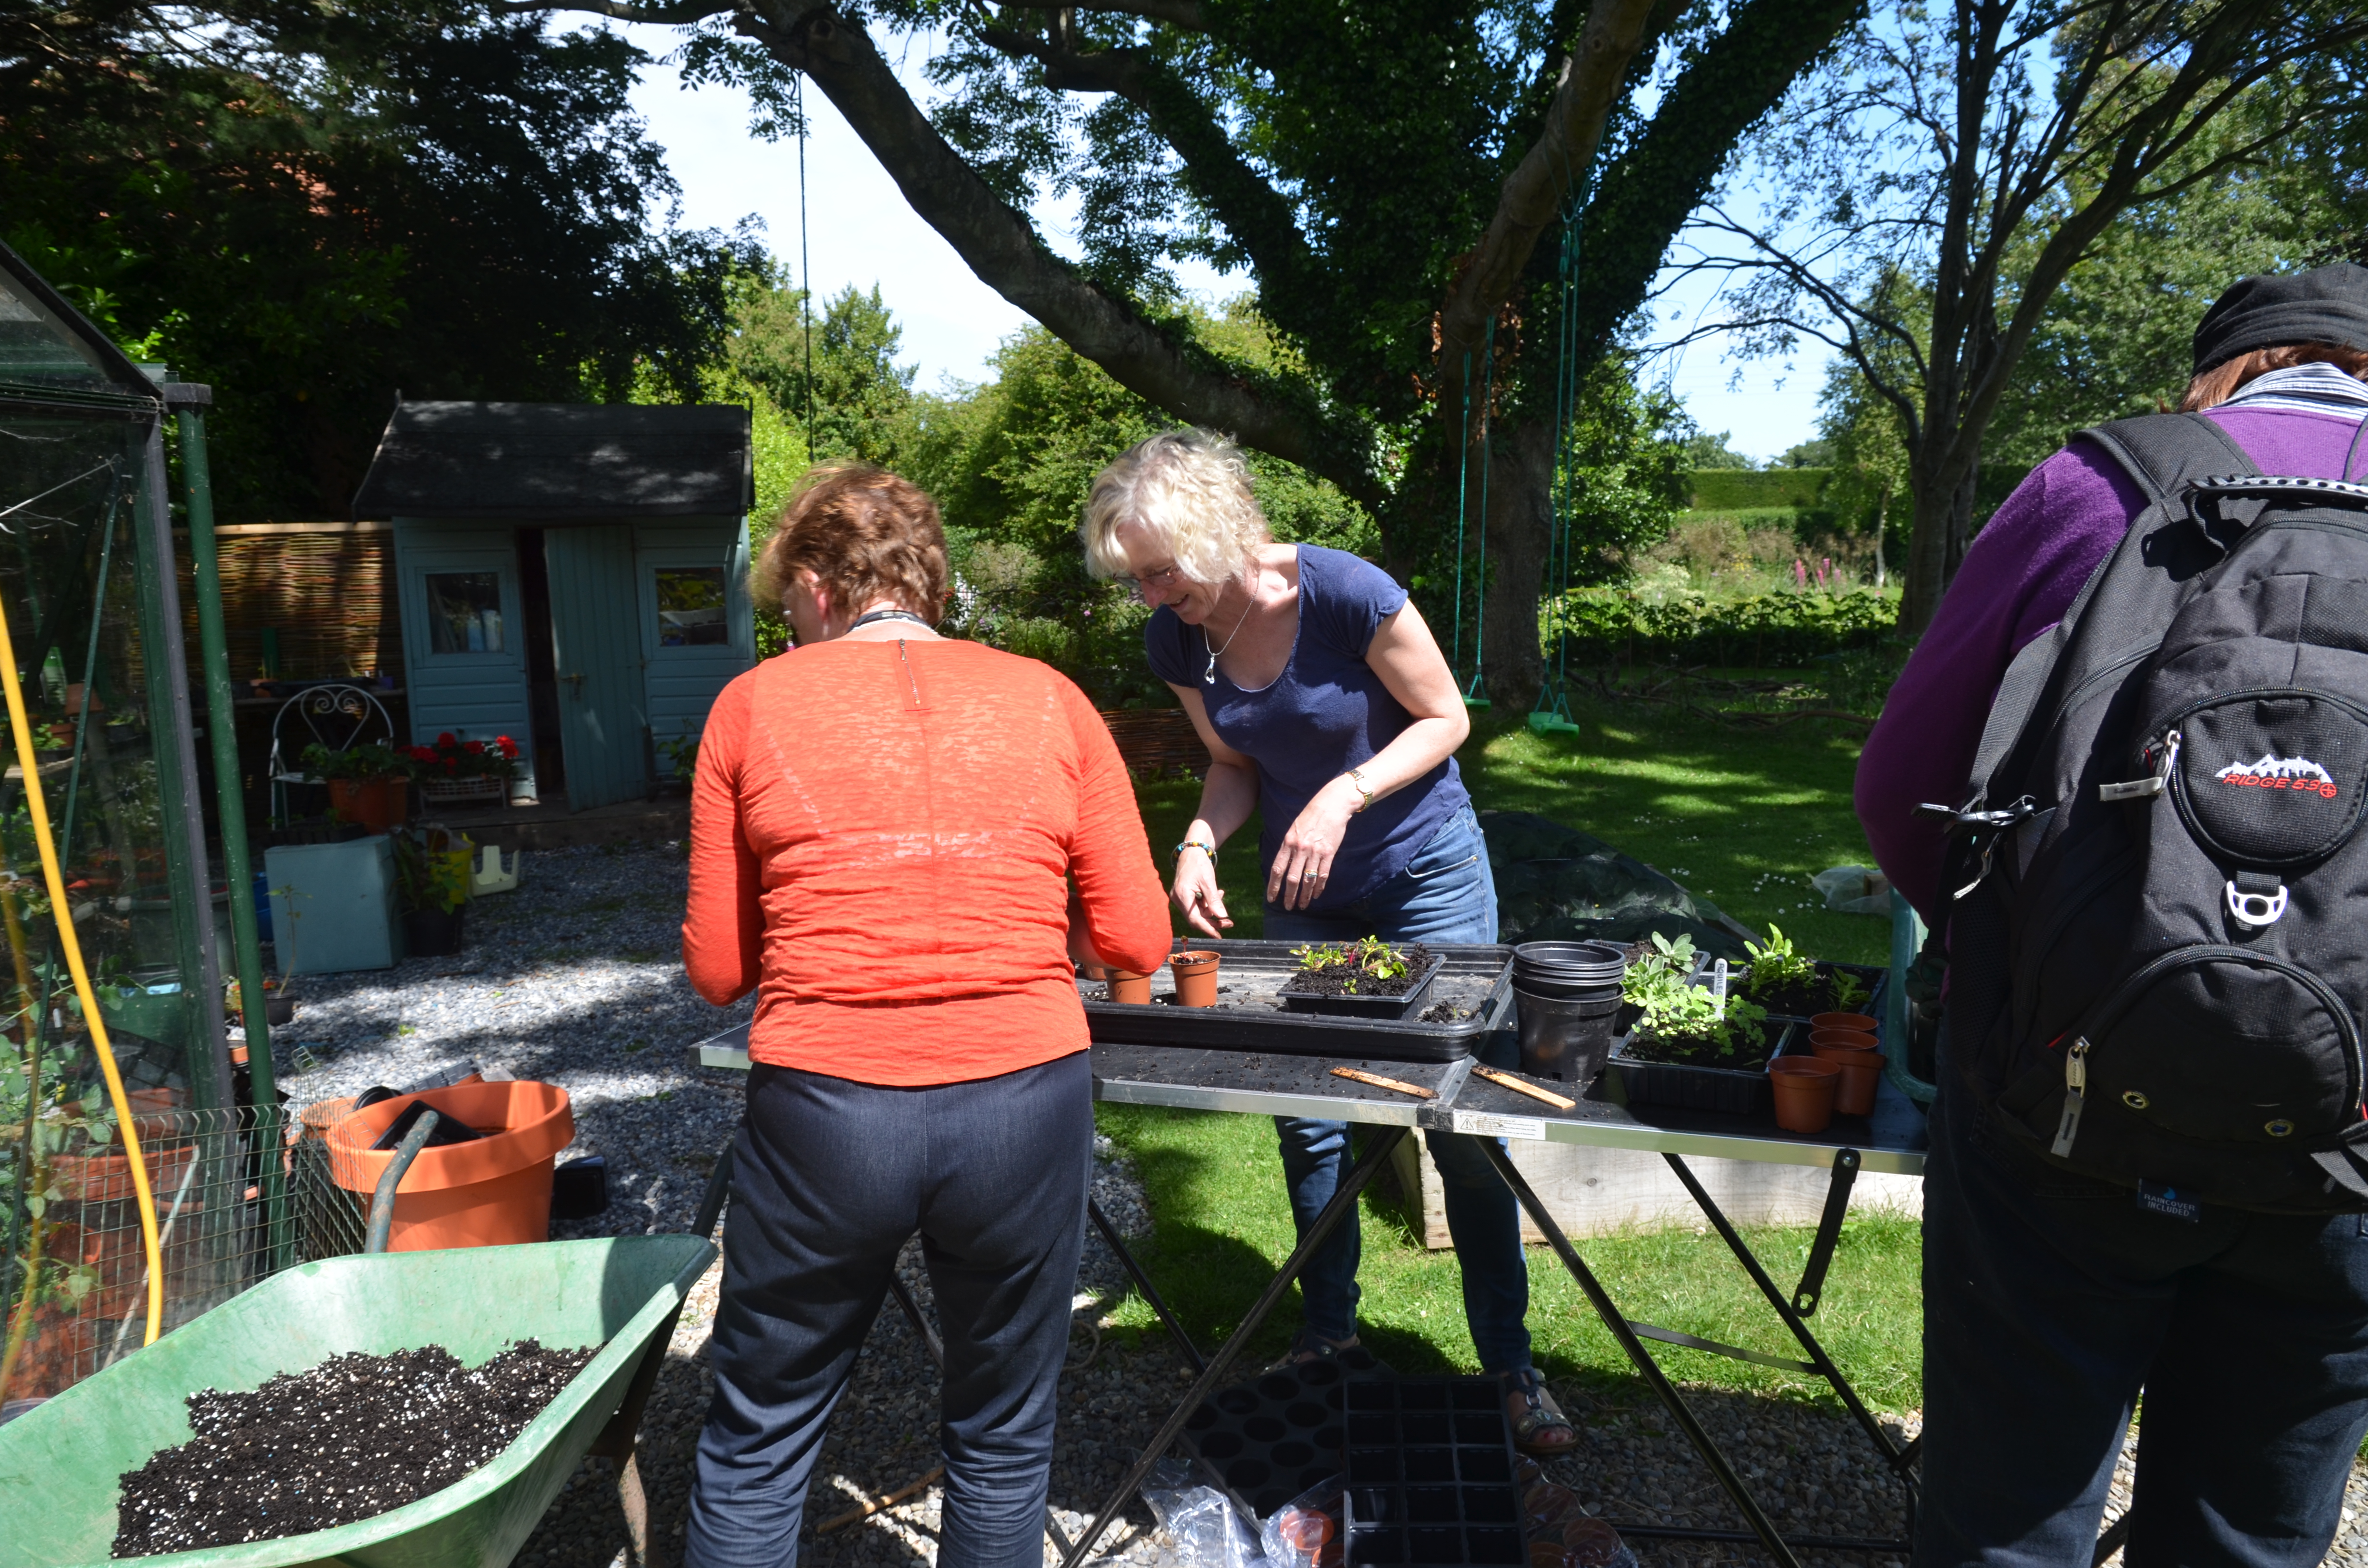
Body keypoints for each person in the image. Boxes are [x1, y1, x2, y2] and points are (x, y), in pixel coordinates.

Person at [1856, 263, 2368, 1564]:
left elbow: (1904, 789)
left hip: (2060, 1104)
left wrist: (2018, 968)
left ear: (2229, 372)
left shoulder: (2106, 485)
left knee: (2009, 1521)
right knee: (2249, 1535)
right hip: (2351, 1146)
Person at [682, 464, 1172, 1568]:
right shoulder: (1050, 697)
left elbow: (719, 969)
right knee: (1003, 1437)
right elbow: (1139, 940)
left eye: (786, 604)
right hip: (1022, 1102)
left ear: (814, 584)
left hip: (827, 1110)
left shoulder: (752, 703)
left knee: (759, 1441)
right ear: (927, 579)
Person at [1079, 428, 1575, 1456]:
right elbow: (1232, 762)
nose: (1148, 595)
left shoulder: (1347, 593)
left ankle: (1512, 1368)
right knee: (1306, 1115)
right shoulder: (1177, 638)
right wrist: (1199, 842)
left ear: (1213, 532)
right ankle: (1327, 1334)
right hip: (1308, 889)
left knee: (1460, 1118)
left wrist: (1344, 794)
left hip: (1422, 869)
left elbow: (1444, 721)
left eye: (1159, 571)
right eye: (1135, 578)